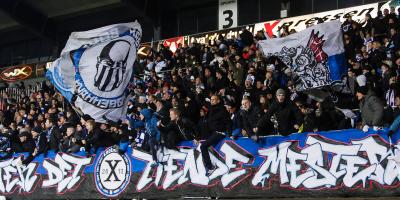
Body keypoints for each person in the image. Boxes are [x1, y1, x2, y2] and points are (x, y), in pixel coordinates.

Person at [200, 95, 231, 176]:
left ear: (218, 101)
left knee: (203, 146)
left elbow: (229, 122)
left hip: (220, 133)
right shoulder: (211, 110)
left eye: (214, 99)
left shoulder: (222, 110)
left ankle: (210, 167)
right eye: (211, 99)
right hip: (214, 132)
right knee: (203, 144)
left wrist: (230, 134)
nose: (212, 101)